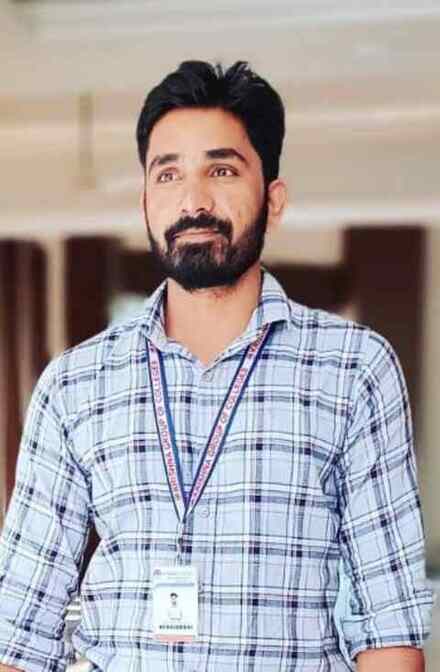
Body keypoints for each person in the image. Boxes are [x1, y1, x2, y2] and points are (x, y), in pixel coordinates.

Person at [0, 60, 433, 672]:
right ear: (146, 201)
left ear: (273, 201)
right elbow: (19, 633)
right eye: (168, 174)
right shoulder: (74, 385)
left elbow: (388, 631)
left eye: (222, 170)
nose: (193, 200)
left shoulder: (353, 370)